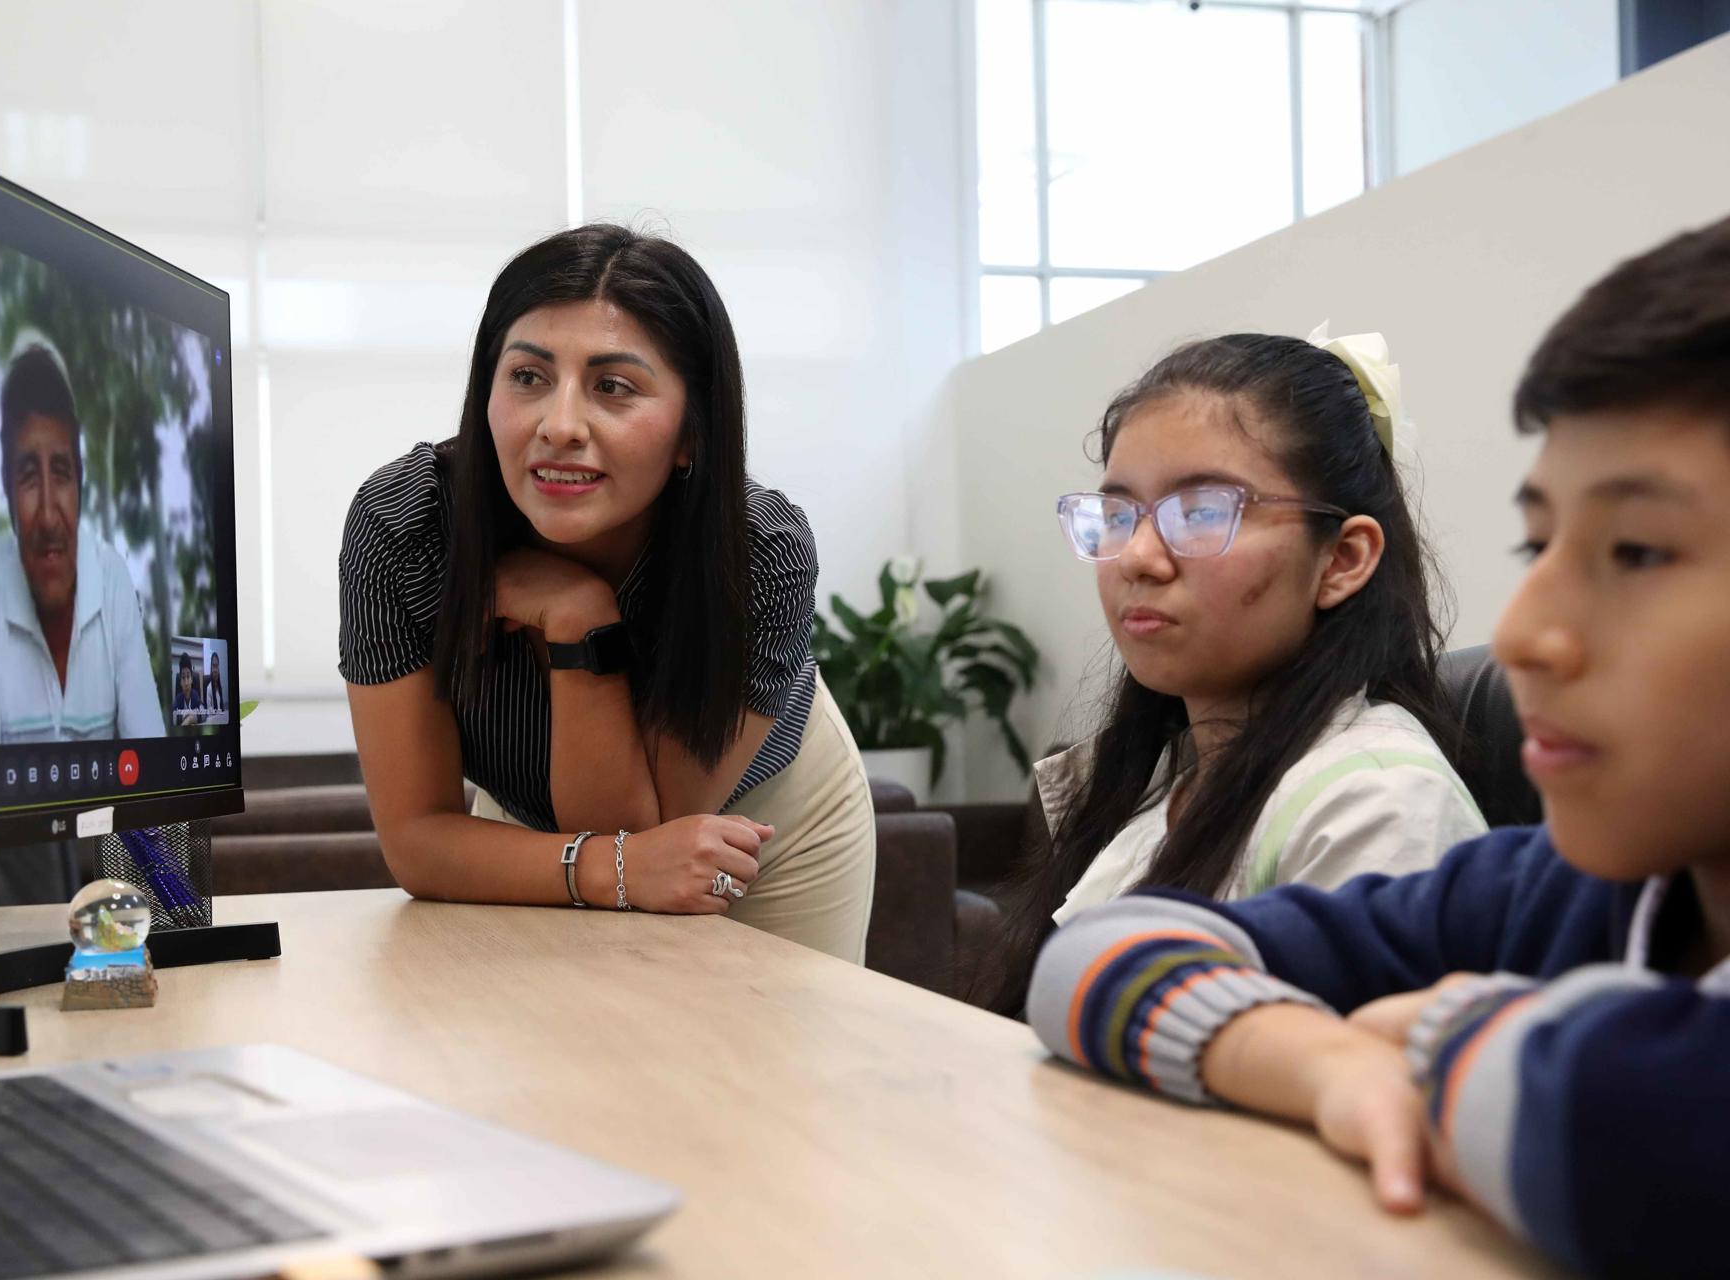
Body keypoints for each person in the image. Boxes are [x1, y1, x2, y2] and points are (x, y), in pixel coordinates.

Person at [1027, 217, 1730, 1279]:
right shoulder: (1570, 887)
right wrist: (1329, 1061)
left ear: (1346, 557)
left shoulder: (1379, 784)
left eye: (1635, 549)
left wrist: (1446, 1025)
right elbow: (1094, 956)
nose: (1531, 630)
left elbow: (1621, 1124)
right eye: (1540, 544)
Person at [339, 225, 875, 962]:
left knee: (763, 1066)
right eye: (527, 377)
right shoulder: (406, 526)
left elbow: (647, 835)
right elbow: (419, 841)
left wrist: (580, 624)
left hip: (764, 818)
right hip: (536, 822)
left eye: (612, 387)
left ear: (692, 432)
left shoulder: (759, 551)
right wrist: (600, 861)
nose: (560, 426)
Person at [988, 330, 1484, 1009]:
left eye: (1201, 512)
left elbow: (1365, 1089)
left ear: (1342, 560)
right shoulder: (1159, 780)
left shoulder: (1379, 808)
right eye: (1118, 513)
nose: (1136, 557)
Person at [0, 343, 164, 745]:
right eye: (28, 476)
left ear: (80, 486)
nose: (47, 515)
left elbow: (154, 769)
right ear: (8, 492)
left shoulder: (111, 578)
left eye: (61, 473)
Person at [173, 652, 203, 724]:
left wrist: (190, 719)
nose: (186, 683)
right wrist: (189, 716)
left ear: (192, 679)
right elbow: (172, 716)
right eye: (183, 677)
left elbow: (204, 712)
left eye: (188, 677)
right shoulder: (178, 698)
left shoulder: (195, 695)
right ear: (180, 682)